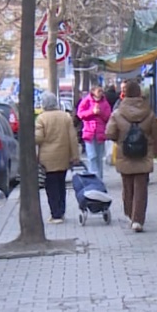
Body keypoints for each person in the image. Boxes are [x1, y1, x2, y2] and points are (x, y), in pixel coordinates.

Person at [105, 80, 157, 232]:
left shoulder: (117, 113)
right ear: (139, 93)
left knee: (127, 186)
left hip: (125, 154)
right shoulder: (148, 113)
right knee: (141, 188)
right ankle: (138, 220)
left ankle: (130, 214)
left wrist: (121, 139)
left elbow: (109, 133)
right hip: (144, 154)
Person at [34, 94, 80, 224]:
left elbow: (38, 138)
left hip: (47, 158)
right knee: (61, 184)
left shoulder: (41, 119)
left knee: (51, 186)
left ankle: (56, 214)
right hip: (63, 156)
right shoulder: (65, 117)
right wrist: (75, 155)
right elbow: (72, 138)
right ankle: (61, 210)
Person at [76, 85, 112, 179]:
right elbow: (80, 114)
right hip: (89, 133)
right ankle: (93, 177)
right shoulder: (86, 101)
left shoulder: (105, 103)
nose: (101, 93)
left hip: (100, 133)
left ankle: (99, 178)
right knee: (92, 157)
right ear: (93, 92)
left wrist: (100, 113)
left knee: (99, 157)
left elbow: (108, 116)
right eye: (98, 91)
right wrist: (92, 112)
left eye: (101, 91)